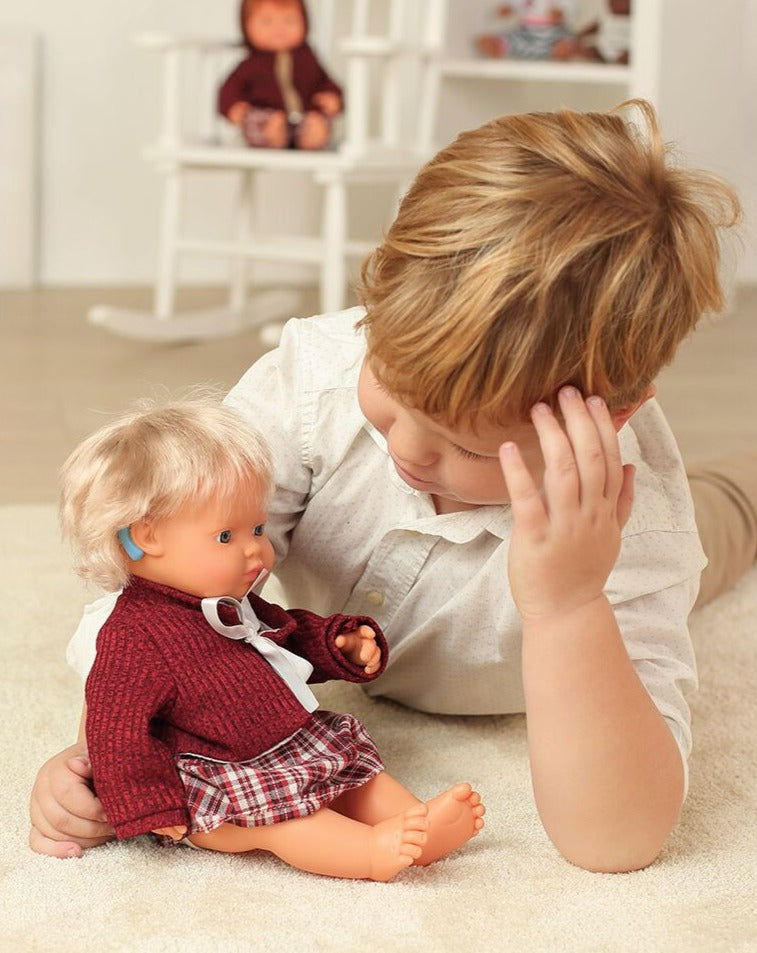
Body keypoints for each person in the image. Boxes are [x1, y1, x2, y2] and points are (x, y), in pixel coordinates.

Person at [30, 99, 754, 873]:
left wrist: (567, 603)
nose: (401, 445)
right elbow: (160, 588)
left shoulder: (634, 529)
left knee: (730, 511)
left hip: (653, 532)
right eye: (391, 391)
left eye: (459, 443)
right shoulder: (319, 375)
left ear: (610, 422)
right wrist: (109, 744)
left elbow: (616, 838)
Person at [48, 398, 484, 881]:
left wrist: (336, 644)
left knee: (357, 776)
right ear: (147, 537)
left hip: (279, 740)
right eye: (226, 536)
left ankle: (414, 820)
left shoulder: (227, 601)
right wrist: (151, 804)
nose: (256, 547)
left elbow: (285, 636)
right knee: (290, 823)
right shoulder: (135, 638)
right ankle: (368, 852)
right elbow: (118, 728)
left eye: (257, 527)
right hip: (213, 775)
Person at [218, 0, 343, 150]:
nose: (279, 28)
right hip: (267, 114)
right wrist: (233, 106)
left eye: (289, 20)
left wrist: (333, 97)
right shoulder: (251, 64)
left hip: (304, 116)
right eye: (267, 21)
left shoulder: (308, 60)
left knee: (318, 120)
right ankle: (271, 136)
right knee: (254, 120)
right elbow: (231, 88)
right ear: (246, 28)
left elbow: (325, 81)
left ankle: (312, 138)